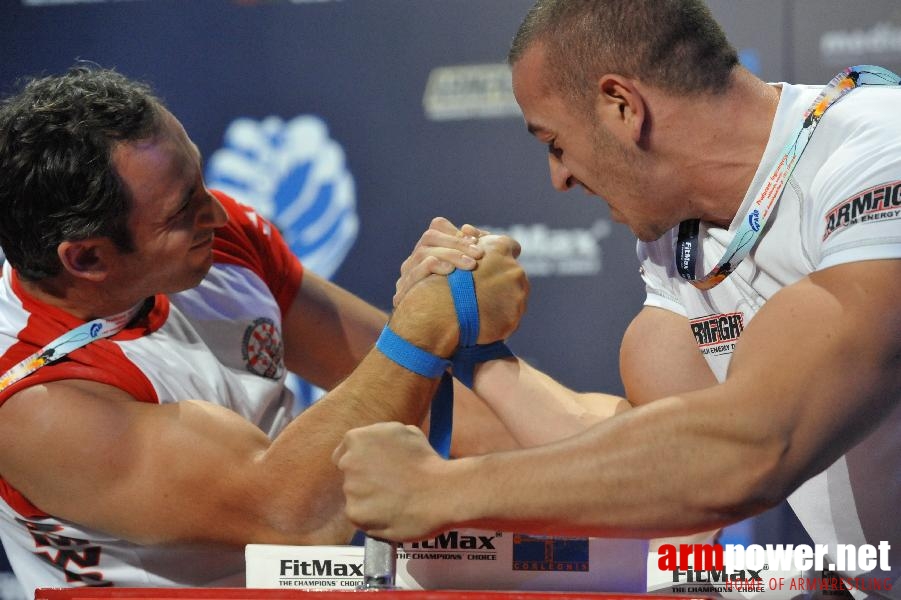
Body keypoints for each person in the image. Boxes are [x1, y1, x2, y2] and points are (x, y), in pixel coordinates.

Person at [333, 0, 901, 595]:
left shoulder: (873, 153)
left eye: (554, 143)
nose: (559, 178)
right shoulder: (679, 238)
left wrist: (439, 491)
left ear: (622, 106)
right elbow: (668, 466)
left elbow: (755, 445)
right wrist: (475, 346)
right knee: (648, 353)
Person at [0, 65, 528, 596]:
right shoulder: (34, 404)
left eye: (199, 182)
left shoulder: (216, 243)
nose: (217, 212)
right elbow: (294, 520)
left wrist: (590, 453)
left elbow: (432, 395)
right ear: (88, 257)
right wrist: (429, 317)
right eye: (183, 210)